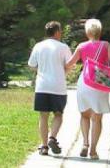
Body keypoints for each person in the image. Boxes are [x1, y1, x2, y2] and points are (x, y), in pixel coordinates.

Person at [66, 18, 110, 160]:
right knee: (97, 118)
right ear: (100, 31)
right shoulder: (106, 45)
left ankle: (85, 143)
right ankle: (93, 150)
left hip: (85, 81)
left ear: (87, 32)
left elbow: (70, 63)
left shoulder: (81, 46)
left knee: (84, 115)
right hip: (100, 82)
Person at [27, 20, 72, 156]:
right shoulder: (63, 47)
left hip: (42, 86)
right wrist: (63, 72)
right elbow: (70, 65)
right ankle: (52, 138)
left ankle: (44, 146)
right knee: (58, 114)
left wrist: (41, 70)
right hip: (58, 86)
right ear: (57, 32)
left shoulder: (38, 46)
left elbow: (31, 65)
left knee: (43, 116)